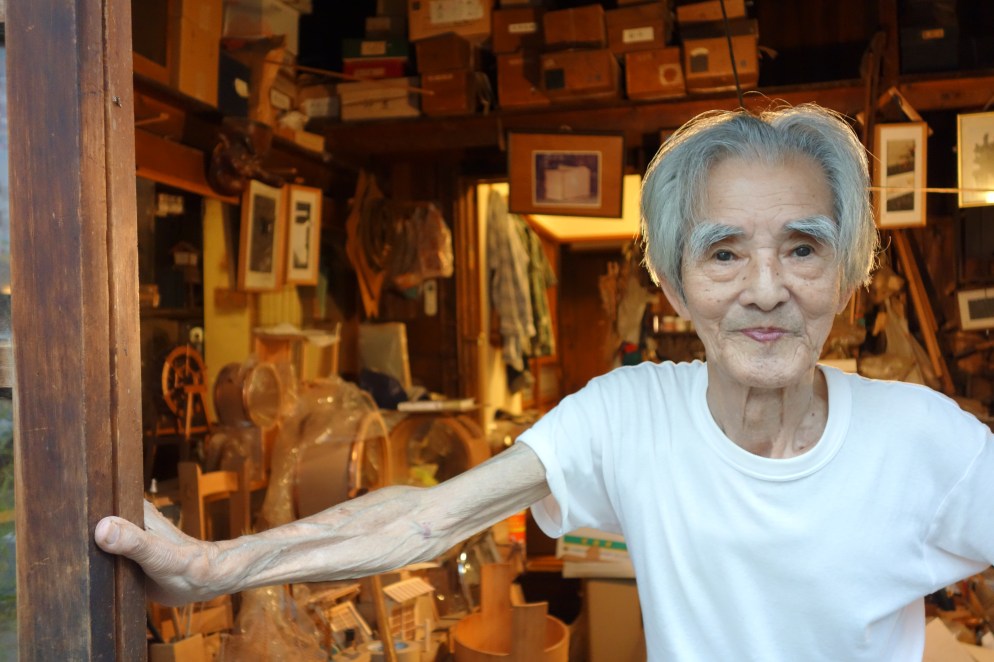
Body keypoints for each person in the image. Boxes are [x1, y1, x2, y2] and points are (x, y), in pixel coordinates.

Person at [96, 104, 994, 660]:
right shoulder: (629, 416)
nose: (766, 288)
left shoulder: (924, 440)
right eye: (724, 253)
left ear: (846, 273)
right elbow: (423, 518)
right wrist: (215, 567)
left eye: (802, 248)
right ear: (675, 286)